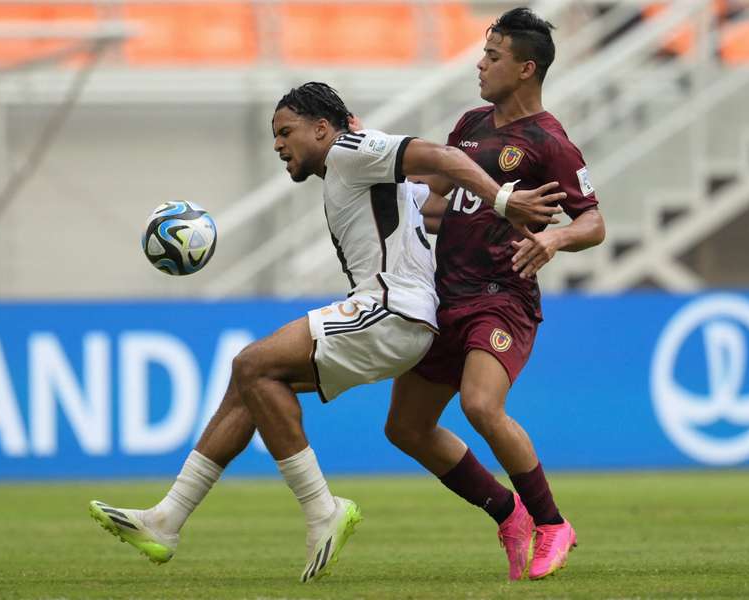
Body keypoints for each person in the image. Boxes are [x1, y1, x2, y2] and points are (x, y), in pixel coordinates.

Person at [88, 82, 566, 582]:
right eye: (275, 135)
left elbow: (442, 156)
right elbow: (430, 188)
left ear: (322, 128)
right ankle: (167, 519)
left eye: (285, 132)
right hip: (399, 317)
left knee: (251, 364)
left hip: (390, 311)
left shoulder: (347, 151)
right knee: (251, 386)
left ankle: (322, 511)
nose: (278, 144)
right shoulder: (356, 168)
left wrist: (504, 199)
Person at [383, 8, 606, 582]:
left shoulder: (549, 142)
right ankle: (508, 513)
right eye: (484, 53)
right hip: (443, 297)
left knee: (481, 405)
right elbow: (436, 202)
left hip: (501, 296)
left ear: (527, 68)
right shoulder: (469, 126)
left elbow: (594, 224)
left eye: (494, 56)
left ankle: (553, 522)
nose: (480, 65)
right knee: (404, 429)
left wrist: (555, 237)